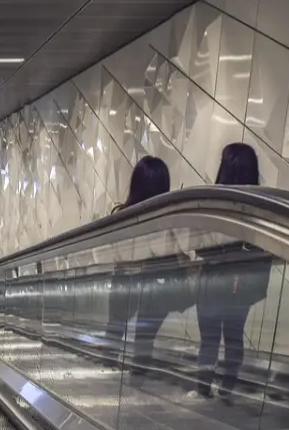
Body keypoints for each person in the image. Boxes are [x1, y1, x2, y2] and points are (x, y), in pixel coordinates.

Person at [191, 142, 270, 399]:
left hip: (213, 281)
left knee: (210, 338)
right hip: (241, 284)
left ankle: (203, 388)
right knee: (234, 337)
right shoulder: (261, 206)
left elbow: (199, 245)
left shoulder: (211, 202)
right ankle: (227, 389)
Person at [106, 156, 173, 371]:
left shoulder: (121, 216)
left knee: (116, 325)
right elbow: (164, 251)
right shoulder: (164, 220)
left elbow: (116, 253)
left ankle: (109, 364)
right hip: (152, 281)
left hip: (124, 279)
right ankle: (139, 370)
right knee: (145, 333)